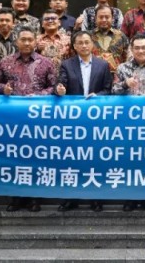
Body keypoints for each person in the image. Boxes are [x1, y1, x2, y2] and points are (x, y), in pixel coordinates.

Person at [0, 25, 57, 213]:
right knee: (14, 158)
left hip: (38, 120)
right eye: (23, 39)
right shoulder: (5, 62)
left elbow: (54, 87)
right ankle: (16, 197)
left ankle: (34, 198)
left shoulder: (46, 63)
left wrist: (39, 95)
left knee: (36, 158)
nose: (27, 43)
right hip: (13, 120)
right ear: (16, 42)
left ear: (36, 42)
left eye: (30, 40)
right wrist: (3, 89)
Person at [56, 31, 111, 212]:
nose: (84, 45)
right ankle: (72, 198)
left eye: (87, 42)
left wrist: (98, 96)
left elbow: (108, 90)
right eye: (80, 43)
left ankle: (96, 198)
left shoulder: (103, 65)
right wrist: (60, 90)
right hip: (74, 121)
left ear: (92, 44)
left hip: (96, 121)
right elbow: (60, 85)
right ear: (74, 46)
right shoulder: (66, 64)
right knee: (73, 159)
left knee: (95, 159)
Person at [113, 33, 145, 213]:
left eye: (144, 47)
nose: (141, 51)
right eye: (137, 48)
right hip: (128, 124)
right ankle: (130, 197)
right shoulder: (122, 68)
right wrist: (125, 84)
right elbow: (113, 91)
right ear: (131, 50)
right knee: (130, 161)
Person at [90, 5, 130, 74]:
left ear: (112, 18)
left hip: (116, 76)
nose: (104, 20)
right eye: (101, 17)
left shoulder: (121, 36)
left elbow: (127, 58)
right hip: (93, 75)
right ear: (95, 19)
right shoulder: (88, 37)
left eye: (107, 17)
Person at [36, 9, 71, 74]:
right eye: (47, 19)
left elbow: (73, 60)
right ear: (42, 24)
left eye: (53, 18)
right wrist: (37, 49)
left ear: (59, 22)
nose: (50, 21)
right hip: (41, 75)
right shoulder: (35, 40)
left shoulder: (68, 40)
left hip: (63, 75)